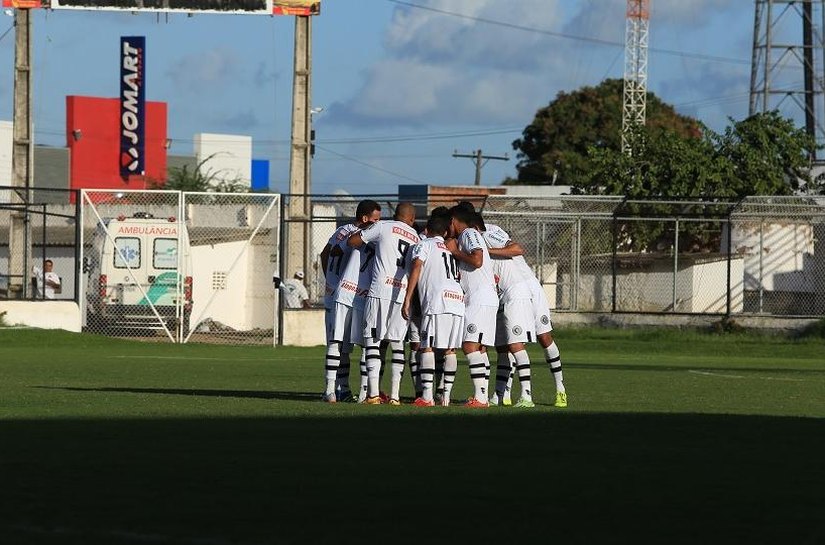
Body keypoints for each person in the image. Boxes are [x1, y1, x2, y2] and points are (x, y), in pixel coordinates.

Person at [347, 202, 419, 405]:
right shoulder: (416, 237)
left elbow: (354, 241)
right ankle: (395, 396)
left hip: (380, 290)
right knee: (397, 344)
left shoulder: (383, 226)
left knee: (372, 341)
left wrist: (367, 241)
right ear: (412, 219)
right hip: (402, 294)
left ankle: (373, 395)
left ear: (395, 215)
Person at [402, 214, 464, 407]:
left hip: (437, 300)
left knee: (427, 346)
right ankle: (445, 396)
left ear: (427, 230)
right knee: (449, 349)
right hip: (457, 300)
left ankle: (427, 397)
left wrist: (408, 298)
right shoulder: (450, 248)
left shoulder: (424, 244)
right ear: (445, 232)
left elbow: (417, 267)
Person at [323, 200, 382, 403]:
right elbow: (335, 252)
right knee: (344, 344)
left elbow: (327, 252)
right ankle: (336, 390)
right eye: (376, 219)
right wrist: (335, 279)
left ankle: (342, 389)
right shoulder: (355, 233)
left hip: (351, 293)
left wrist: (331, 280)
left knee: (346, 345)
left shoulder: (344, 230)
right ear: (365, 218)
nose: (378, 223)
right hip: (350, 292)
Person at [446, 206, 499, 408]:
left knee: (468, 345)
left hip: (480, 298)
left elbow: (477, 260)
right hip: (484, 297)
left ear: (453, 220)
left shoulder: (469, 233)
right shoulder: (468, 236)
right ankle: (482, 396)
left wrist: (454, 252)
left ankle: (480, 398)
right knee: (479, 348)